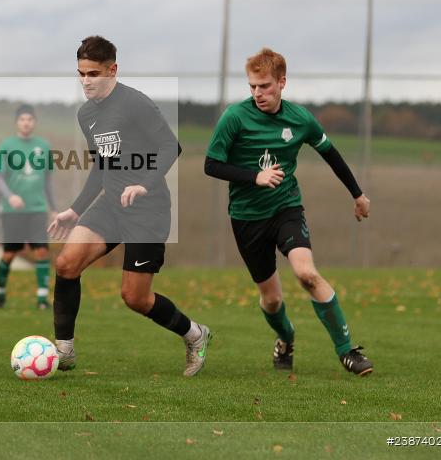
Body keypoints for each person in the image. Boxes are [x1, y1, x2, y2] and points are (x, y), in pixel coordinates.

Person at [204, 47, 373, 376]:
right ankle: (286, 337)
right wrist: (255, 176)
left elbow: (331, 155)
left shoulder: (300, 119)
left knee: (307, 274)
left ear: (282, 83)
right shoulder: (234, 117)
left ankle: (347, 351)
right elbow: (211, 164)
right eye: (252, 86)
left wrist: (358, 194)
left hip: (286, 208)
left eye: (264, 86)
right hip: (246, 217)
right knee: (271, 300)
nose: (257, 93)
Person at [48, 36, 211, 376]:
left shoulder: (137, 104)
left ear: (113, 70)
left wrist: (143, 184)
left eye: (94, 73)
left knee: (134, 297)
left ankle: (195, 334)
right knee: (66, 263)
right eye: (81, 73)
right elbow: (101, 165)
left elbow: (170, 146)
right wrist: (76, 209)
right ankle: (64, 350)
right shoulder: (86, 114)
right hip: (110, 206)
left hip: (147, 211)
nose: (86, 81)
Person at [0, 104, 57, 309]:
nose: (26, 123)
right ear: (16, 122)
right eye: (22, 120)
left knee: (41, 252)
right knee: (10, 254)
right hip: (13, 211)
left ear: (34, 122)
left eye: (29, 119)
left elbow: (48, 181)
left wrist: (53, 207)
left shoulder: (44, 146)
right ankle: (0, 294)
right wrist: (10, 196)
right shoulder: (7, 145)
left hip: (37, 209)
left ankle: (42, 299)